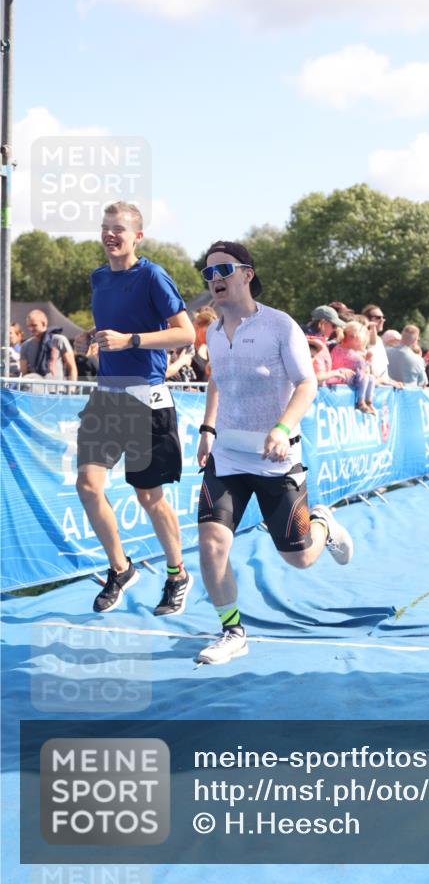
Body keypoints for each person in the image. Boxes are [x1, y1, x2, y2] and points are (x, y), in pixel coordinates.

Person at [196, 241, 354, 666]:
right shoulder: (212, 330)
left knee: (299, 557)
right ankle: (232, 630)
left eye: (223, 269)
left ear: (247, 273)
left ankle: (323, 522)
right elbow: (217, 381)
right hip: (227, 457)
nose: (215, 279)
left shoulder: (280, 326)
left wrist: (282, 428)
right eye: (207, 273)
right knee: (211, 543)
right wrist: (208, 429)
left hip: (276, 460)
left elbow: (308, 384)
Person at [74, 201, 195, 616]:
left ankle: (177, 573)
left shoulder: (153, 275)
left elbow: (186, 332)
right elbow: (113, 323)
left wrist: (132, 341)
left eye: (119, 228)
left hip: (146, 397)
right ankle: (120, 569)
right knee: (88, 487)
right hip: (106, 397)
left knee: (149, 496)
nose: (110, 234)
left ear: (136, 236)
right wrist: (89, 338)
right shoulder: (98, 277)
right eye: (105, 227)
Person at [331, 320, 377, 414]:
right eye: (362, 342)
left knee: (371, 378)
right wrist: (367, 361)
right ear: (354, 338)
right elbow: (361, 373)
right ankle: (361, 402)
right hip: (341, 377)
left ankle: (368, 401)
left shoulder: (339, 348)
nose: (362, 346)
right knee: (366, 378)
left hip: (342, 375)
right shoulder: (353, 355)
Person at [20, 309, 78, 382]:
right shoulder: (25, 345)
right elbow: (23, 372)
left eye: (34, 325)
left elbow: (72, 367)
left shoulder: (59, 340)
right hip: (34, 389)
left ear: (44, 323)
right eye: (28, 326)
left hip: (56, 390)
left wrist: (71, 389)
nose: (30, 329)